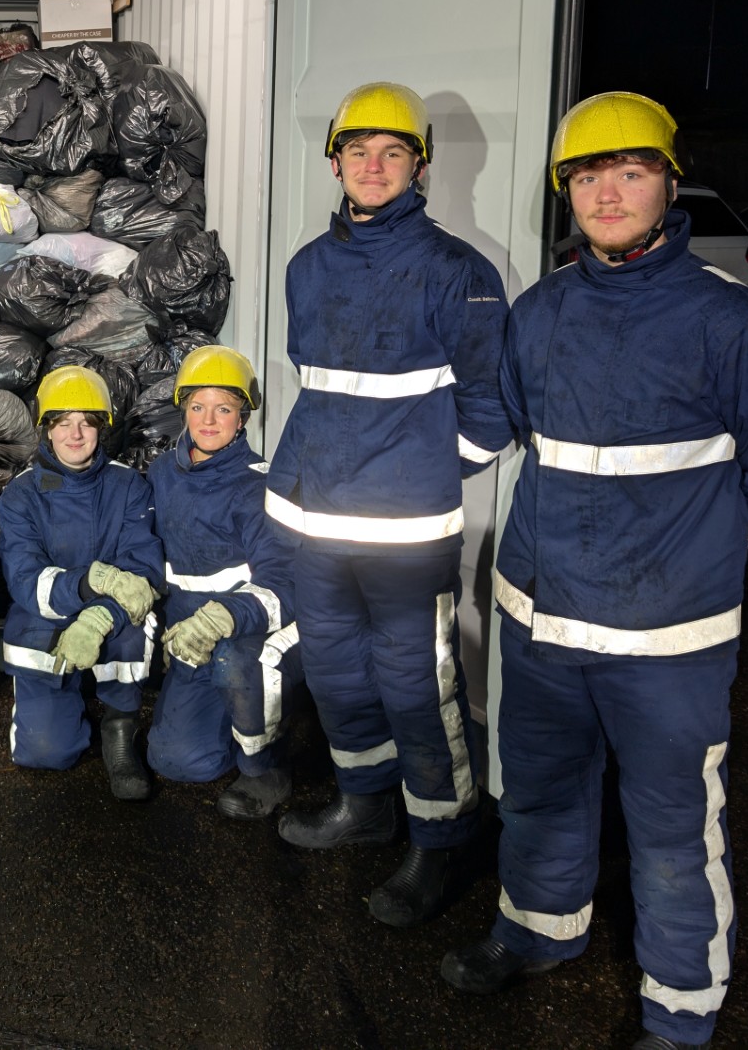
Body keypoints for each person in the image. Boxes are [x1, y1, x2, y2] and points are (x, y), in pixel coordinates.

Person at [439, 93, 748, 1050]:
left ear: (667, 180)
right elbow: (519, 433)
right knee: (536, 791)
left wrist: (683, 562)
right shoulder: (535, 315)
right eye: (586, 174)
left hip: (667, 645)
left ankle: (681, 1007)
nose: (607, 192)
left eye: (631, 170)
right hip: (541, 624)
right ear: (566, 191)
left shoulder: (743, 328)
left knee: (668, 830)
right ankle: (538, 928)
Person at [266, 82, 511, 926]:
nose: (374, 167)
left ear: (421, 167)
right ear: (335, 161)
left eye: (393, 152)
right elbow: (319, 394)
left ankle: (441, 841)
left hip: (407, 536)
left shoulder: (459, 273)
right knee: (336, 674)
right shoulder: (307, 264)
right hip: (319, 526)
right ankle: (364, 804)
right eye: (359, 151)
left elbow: (491, 409)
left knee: (418, 686)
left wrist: (423, 474)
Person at [144, 346, 300, 820]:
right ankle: (231, 716)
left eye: (224, 409)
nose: (209, 421)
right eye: (198, 407)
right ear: (184, 410)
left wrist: (224, 616)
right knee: (178, 762)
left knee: (234, 664)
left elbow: (286, 585)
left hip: (254, 633)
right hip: (192, 638)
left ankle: (264, 768)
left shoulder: (259, 484)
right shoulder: (161, 475)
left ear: (243, 415)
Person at [0, 366, 163, 799]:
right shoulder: (21, 494)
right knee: (47, 753)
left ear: (101, 429)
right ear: (46, 431)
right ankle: (61, 706)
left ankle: (119, 729)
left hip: (111, 620)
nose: (75, 434)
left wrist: (97, 618)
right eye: (63, 422)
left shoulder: (128, 485)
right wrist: (89, 582)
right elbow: (24, 578)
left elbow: (142, 567)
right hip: (45, 617)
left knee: (133, 626)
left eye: (86, 422)